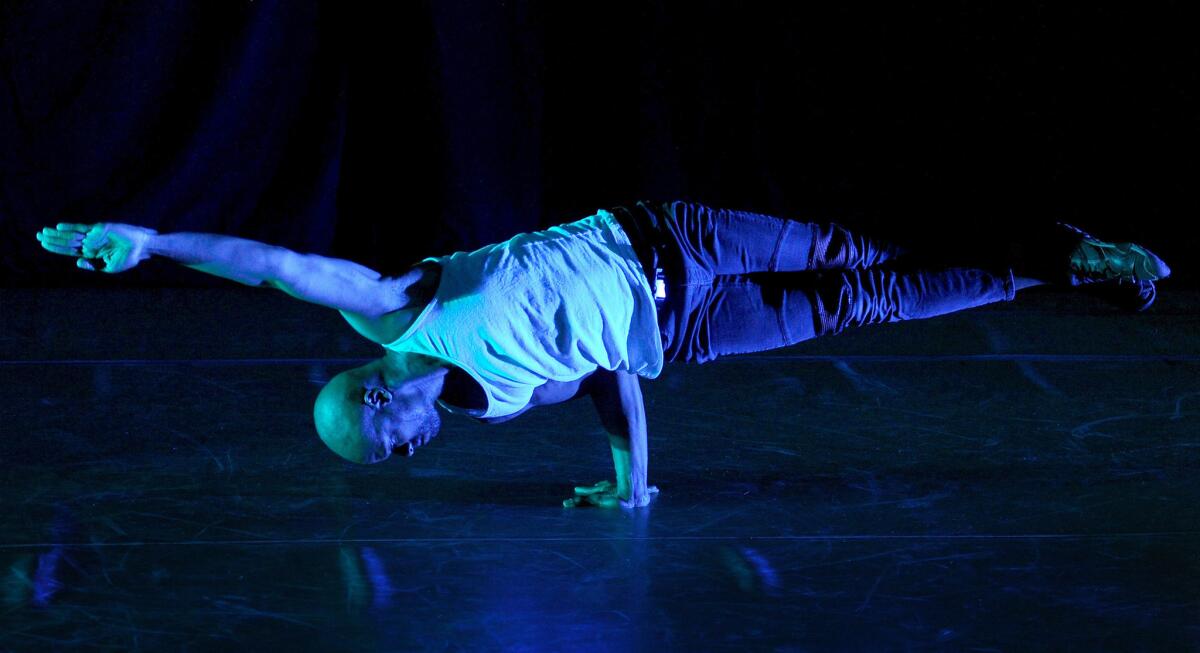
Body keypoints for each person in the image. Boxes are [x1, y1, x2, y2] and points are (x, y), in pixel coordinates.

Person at [35, 201, 1171, 508]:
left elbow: (278, 264)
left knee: (852, 248)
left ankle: (1053, 241)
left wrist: (154, 241)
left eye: (393, 451)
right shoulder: (497, 407)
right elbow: (608, 372)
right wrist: (636, 480)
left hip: (668, 236)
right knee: (872, 300)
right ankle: (1061, 267)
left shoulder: (391, 314)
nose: (418, 456)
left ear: (384, 402)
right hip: (681, 327)